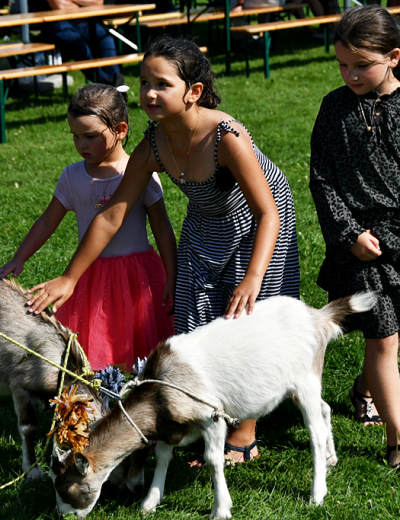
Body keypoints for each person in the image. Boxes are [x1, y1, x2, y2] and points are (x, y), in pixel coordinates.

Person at [25, 36, 300, 465]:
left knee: (248, 319)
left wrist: (252, 278)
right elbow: (114, 213)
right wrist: (70, 278)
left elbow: (268, 212)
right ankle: (209, 415)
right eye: (144, 83)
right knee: (198, 320)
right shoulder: (152, 144)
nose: (149, 93)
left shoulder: (226, 136)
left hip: (259, 223)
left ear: (192, 92)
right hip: (205, 222)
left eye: (162, 84)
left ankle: (244, 434)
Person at [309, 5, 400, 475]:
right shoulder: (333, 108)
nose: (350, 74)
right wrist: (350, 235)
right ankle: (399, 442)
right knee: (384, 339)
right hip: (354, 248)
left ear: (393, 56)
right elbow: (322, 177)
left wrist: (389, 238)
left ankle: (364, 390)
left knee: (387, 337)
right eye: (342, 65)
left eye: (362, 65)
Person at [0, 83, 176, 371]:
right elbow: (47, 221)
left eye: (90, 136)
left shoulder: (140, 173)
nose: (81, 145)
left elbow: (163, 229)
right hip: (90, 276)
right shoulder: (72, 176)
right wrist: (20, 257)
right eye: (75, 136)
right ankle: (98, 402)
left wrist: (171, 276)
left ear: (121, 130)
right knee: (93, 350)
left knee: (141, 349)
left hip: (138, 278)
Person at [33, 0, 124, 86]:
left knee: (107, 39)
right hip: (58, 24)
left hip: (84, 22)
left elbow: (98, 2)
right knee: (80, 48)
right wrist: (83, 4)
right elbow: (60, 6)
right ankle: (106, 82)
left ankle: (116, 82)